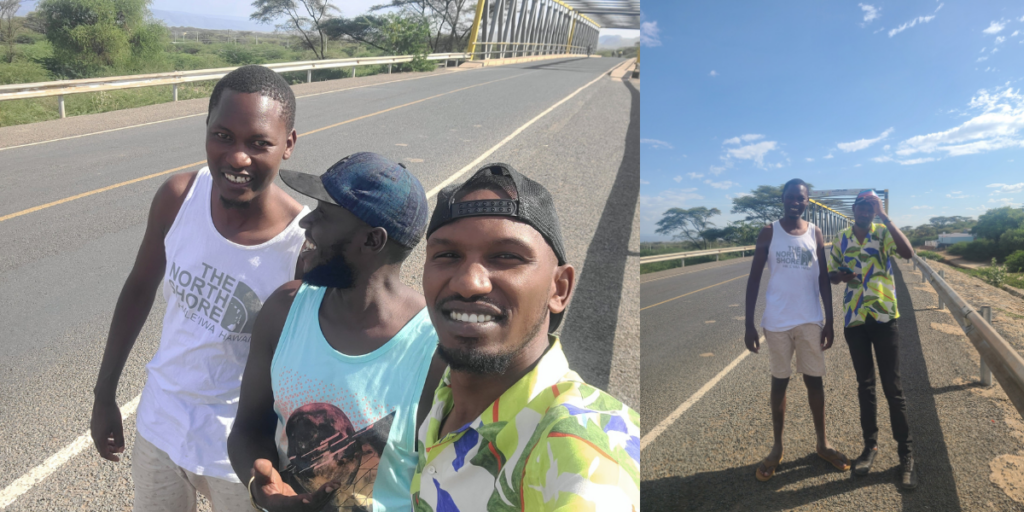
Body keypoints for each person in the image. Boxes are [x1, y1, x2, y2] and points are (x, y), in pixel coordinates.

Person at [89, 64, 310, 511]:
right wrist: (104, 394)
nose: (238, 157)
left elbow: (308, 362)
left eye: (259, 143)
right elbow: (138, 289)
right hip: (161, 424)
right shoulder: (179, 196)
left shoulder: (302, 244)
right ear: (206, 130)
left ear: (287, 144)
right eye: (223, 136)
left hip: (241, 451)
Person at [410, 164, 640, 511]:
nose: (469, 282)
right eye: (447, 255)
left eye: (506, 257)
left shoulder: (582, 452)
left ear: (558, 288)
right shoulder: (448, 390)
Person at [227, 152, 446, 512]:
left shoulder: (434, 353)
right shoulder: (284, 311)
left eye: (324, 215)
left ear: (372, 241)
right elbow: (248, 429)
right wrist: (265, 490)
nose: (305, 222)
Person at [744, 178, 848, 482]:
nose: (794, 202)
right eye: (789, 197)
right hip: (776, 322)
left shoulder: (815, 232)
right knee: (780, 383)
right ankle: (777, 448)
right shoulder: (769, 232)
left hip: (809, 320)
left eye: (800, 198)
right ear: (782, 199)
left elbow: (822, 277)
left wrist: (829, 320)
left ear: (807, 201)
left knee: (815, 383)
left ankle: (822, 444)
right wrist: (748, 323)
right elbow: (753, 280)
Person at [828, 189, 917, 489]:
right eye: (862, 206)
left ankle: (906, 455)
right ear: (853, 209)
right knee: (865, 386)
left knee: (893, 387)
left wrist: (885, 215)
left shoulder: (883, 233)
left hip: (883, 318)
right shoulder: (841, 238)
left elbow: (908, 253)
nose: (866, 211)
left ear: (876, 208)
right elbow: (830, 273)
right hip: (855, 320)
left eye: (871, 206)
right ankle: (870, 447)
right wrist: (840, 276)